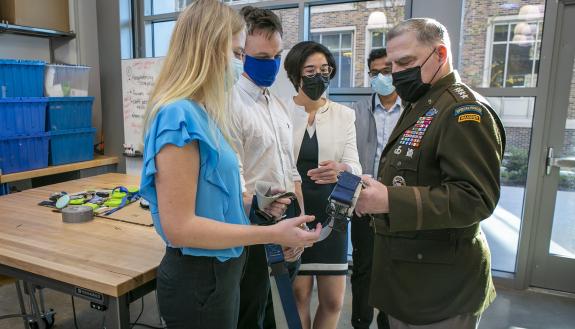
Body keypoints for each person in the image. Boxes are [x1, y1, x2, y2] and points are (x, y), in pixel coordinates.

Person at [139, 1, 321, 328]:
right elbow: (180, 228)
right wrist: (267, 234)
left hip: (221, 268)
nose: (240, 64)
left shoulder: (205, 112)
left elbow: (215, 196)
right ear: (206, 49)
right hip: (199, 276)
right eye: (237, 54)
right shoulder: (178, 115)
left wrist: (256, 203)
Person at [355, 18, 505, 329]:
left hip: (439, 290)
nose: (396, 73)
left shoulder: (463, 111)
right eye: (392, 64)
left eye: (406, 62)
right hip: (407, 278)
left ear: (439, 54)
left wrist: (389, 200)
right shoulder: (423, 103)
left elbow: (475, 198)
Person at [229, 7, 306, 329]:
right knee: (252, 311)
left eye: (276, 56)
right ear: (239, 52)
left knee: (277, 310)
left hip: (284, 217)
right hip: (253, 221)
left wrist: (297, 222)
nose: (271, 65)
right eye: (261, 57)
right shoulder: (229, 101)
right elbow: (234, 180)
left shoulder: (274, 102)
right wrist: (270, 228)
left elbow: (290, 167)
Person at [284, 41, 362, 329]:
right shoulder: (280, 111)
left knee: (333, 301)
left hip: (334, 212)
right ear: (296, 74)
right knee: (298, 294)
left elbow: (356, 165)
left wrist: (342, 170)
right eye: (311, 70)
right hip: (294, 212)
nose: (320, 76)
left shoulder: (344, 115)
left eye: (325, 70)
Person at [350, 47, 402, 329]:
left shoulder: (413, 111)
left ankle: (387, 323)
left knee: (394, 269)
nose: (381, 77)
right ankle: (360, 322)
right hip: (365, 203)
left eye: (386, 71)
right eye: (374, 73)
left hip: (397, 202)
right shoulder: (358, 111)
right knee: (364, 268)